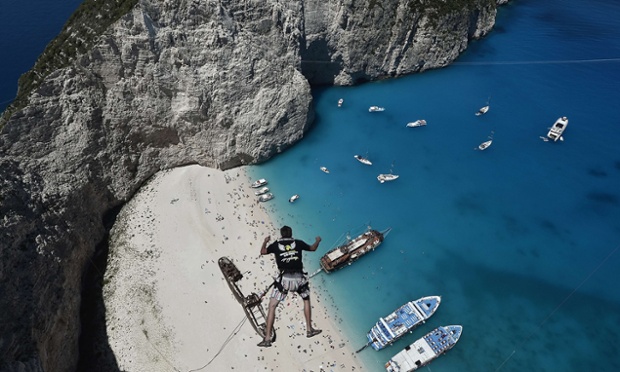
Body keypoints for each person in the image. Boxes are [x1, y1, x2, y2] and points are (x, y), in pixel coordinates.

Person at [257, 225, 322, 347]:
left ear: (281, 234)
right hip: (299, 279)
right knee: (306, 300)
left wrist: (265, 241)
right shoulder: (298, 243)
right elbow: (313, 248)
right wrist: (317, 241)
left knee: (272, 307)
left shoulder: (276, 245)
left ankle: (267, 339)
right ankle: (309, 329)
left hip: (284, 280)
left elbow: (263, 252)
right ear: (291, 234)